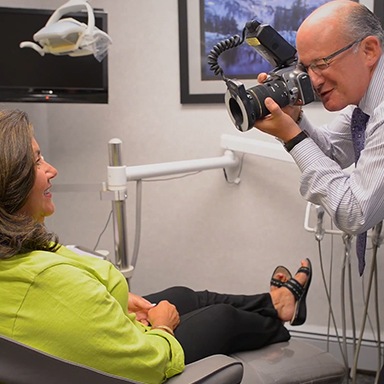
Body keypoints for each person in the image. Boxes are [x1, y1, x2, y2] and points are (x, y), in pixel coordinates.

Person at [0, 109, 312, 384]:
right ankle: (277, 328)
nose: (52, 169)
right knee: (221, 319)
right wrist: (162, 328)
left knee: (184, 296)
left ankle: (277, 304)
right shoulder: (44, 280)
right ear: (12, 182)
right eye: (38, 161)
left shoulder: (14, 252)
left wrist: (117, 300)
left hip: (80, 328)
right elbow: (147, 365)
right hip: (125, 362)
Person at [252, 0, 384, 380]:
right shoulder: (364, 105)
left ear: (369, 50)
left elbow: (354, 211)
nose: (311, 80)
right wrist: (293, 119)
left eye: (321, 64)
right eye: (304, 67)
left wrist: (292, 138)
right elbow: (332, 150)